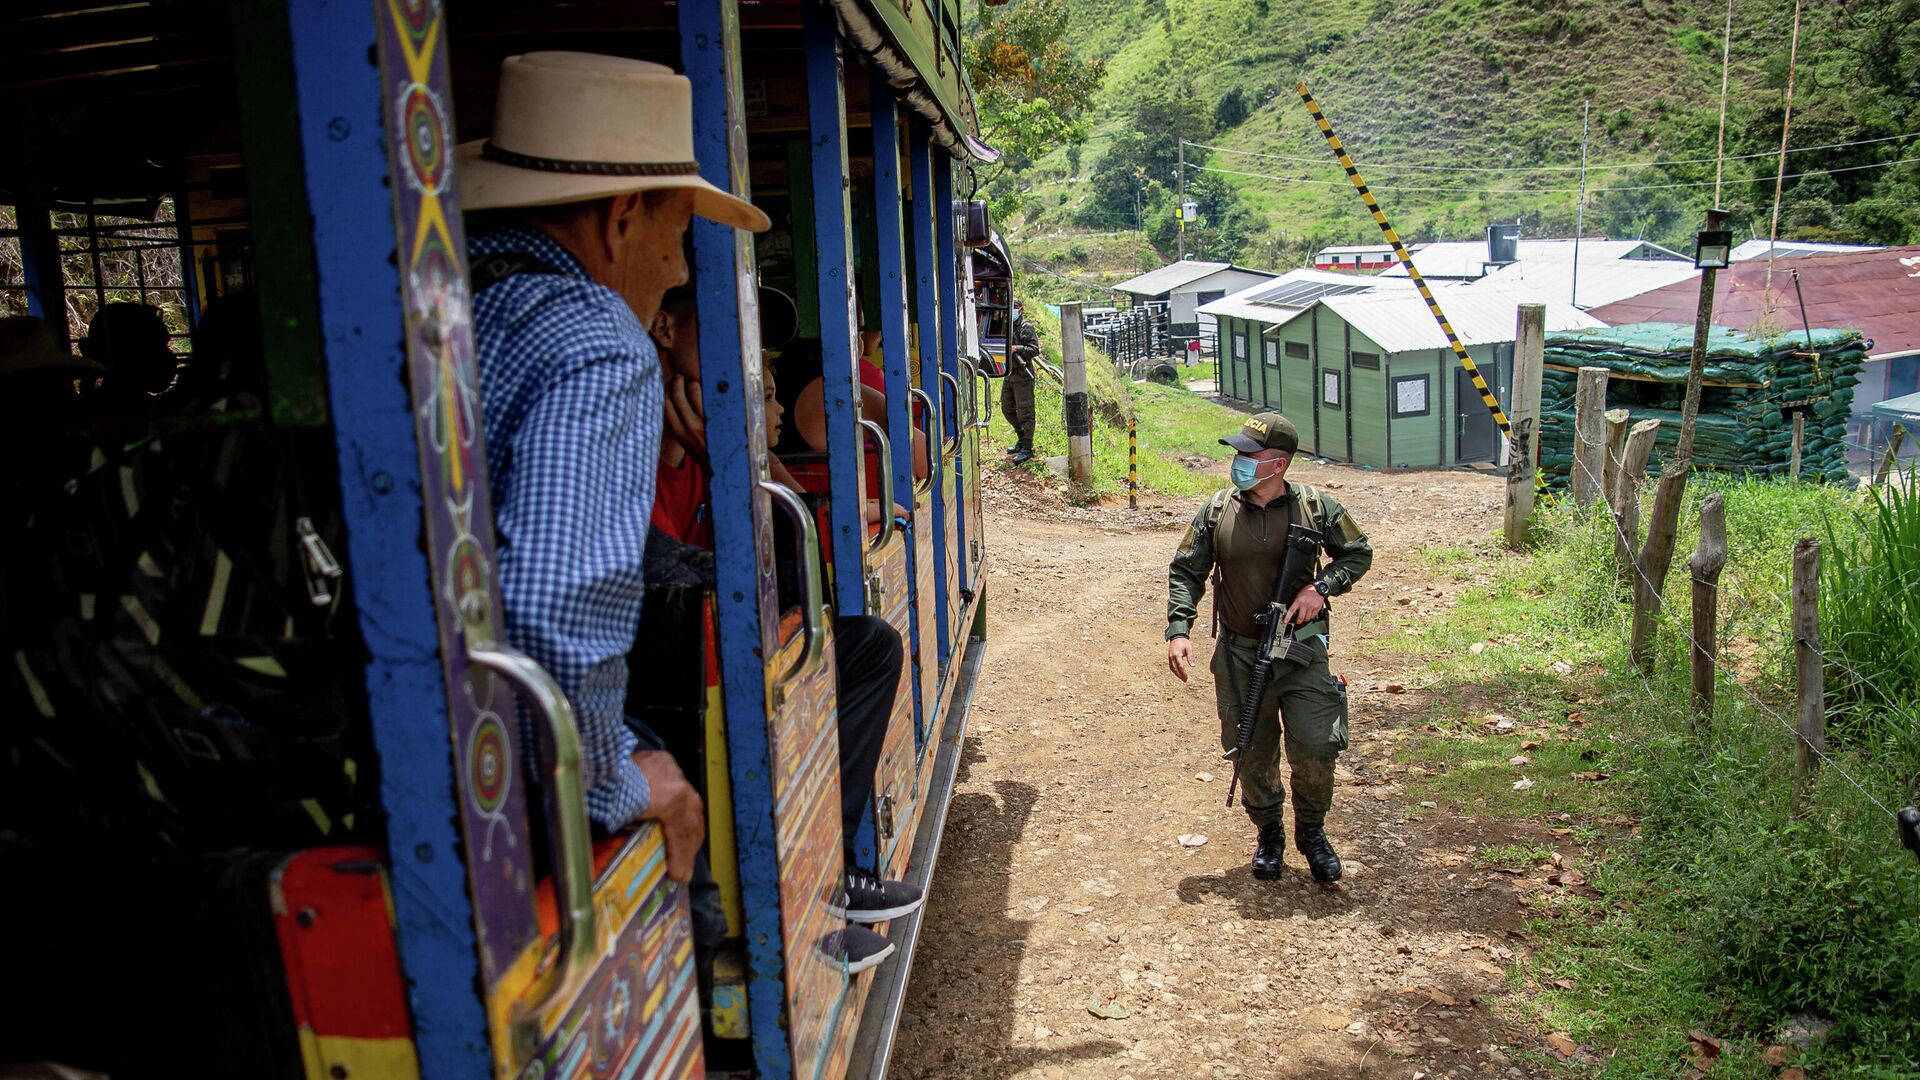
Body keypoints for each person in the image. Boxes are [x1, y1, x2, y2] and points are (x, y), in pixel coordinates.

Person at [459, 50, 770, 883]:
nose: (675, 269)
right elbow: (559, 606)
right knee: (675, 818)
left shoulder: (446, 304)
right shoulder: (593, 337)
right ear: (623, 215)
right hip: (494, 752)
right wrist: (612, 779)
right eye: (675, 235)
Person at [644, 283, 924, 974]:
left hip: (736, 657)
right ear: (662, 331)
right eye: (721, 334)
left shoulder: (705, 455)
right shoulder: (642, 462)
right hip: (684, 682)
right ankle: (801, 907)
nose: (743, 369)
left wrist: (736, 458)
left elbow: (803, 569)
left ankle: (829, 870)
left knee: (864, 646)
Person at [1164, 412, 1373, 884]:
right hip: (1239, 654)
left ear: (1277, 464)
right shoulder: (1218, 511)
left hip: (1301, 652)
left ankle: (1312, 832)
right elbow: (1186, 570)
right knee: (1250, 750)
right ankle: (1270, 833)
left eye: (1247, 454)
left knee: (1317, 744)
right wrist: (1180, 628)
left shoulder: (1317, 509)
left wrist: (1320, 587)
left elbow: (1358, 554)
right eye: (1236, 452)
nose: (1237, 461)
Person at [1000, 298, 1039, 464]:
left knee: (1026, 413)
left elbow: (1034, 350)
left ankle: (1027, 448)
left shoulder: (1026, 327)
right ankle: (1021, 438)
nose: (1013, 310)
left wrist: (1017, 348)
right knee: (1007, 408)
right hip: (1010, 374)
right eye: (1011, 307)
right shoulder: (1007, 326)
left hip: (1023, 374)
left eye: (1015, 307)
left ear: (1021, 309)